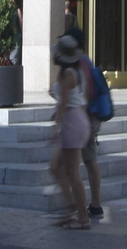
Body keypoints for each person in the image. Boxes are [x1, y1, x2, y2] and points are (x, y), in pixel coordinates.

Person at [49, 34, 91, 231]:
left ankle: (82, 217)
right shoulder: (77, 71)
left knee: (72, 173)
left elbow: (63, 103)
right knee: (56, 167)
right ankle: (71, 208)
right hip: (79, 119)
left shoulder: (67, 74)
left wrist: (57, 128)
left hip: (71, 122)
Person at [65, 26, 104, 219]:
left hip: (86, 116)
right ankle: (93, 205)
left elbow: (86, 92)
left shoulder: (79, 63)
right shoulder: (85, 61)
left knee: (82, 163)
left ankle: (81, 208)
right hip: (90, 116)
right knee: (89, 161)